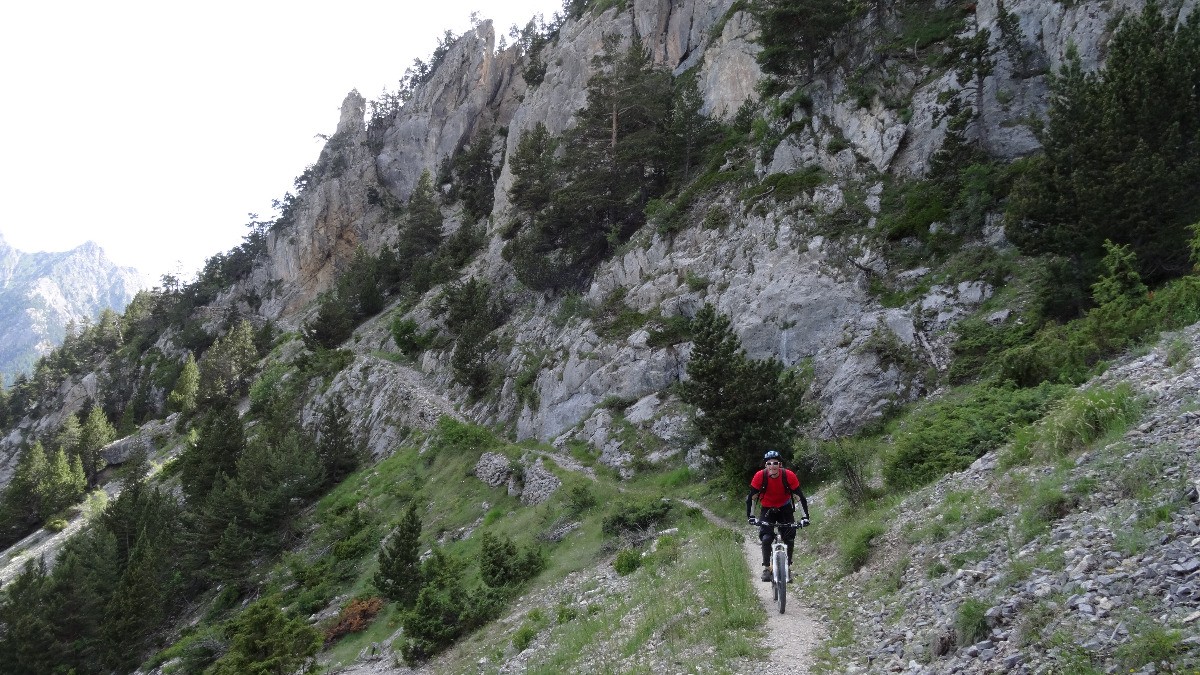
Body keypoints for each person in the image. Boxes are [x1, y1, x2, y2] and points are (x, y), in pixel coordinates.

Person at [746, 450, 810, 582]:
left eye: (775, 463)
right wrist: (751, 516)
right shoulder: (760, 476)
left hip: (785, 508)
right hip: (767, 509)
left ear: (780, 464)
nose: (772, 466)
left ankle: (787, 568)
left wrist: (805, 517)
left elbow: (799, 497)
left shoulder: (789, 476)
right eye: (769, 463)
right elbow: (752, 498)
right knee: (766, 537)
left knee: (789, 538)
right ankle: (766, 568)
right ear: (766, 466)